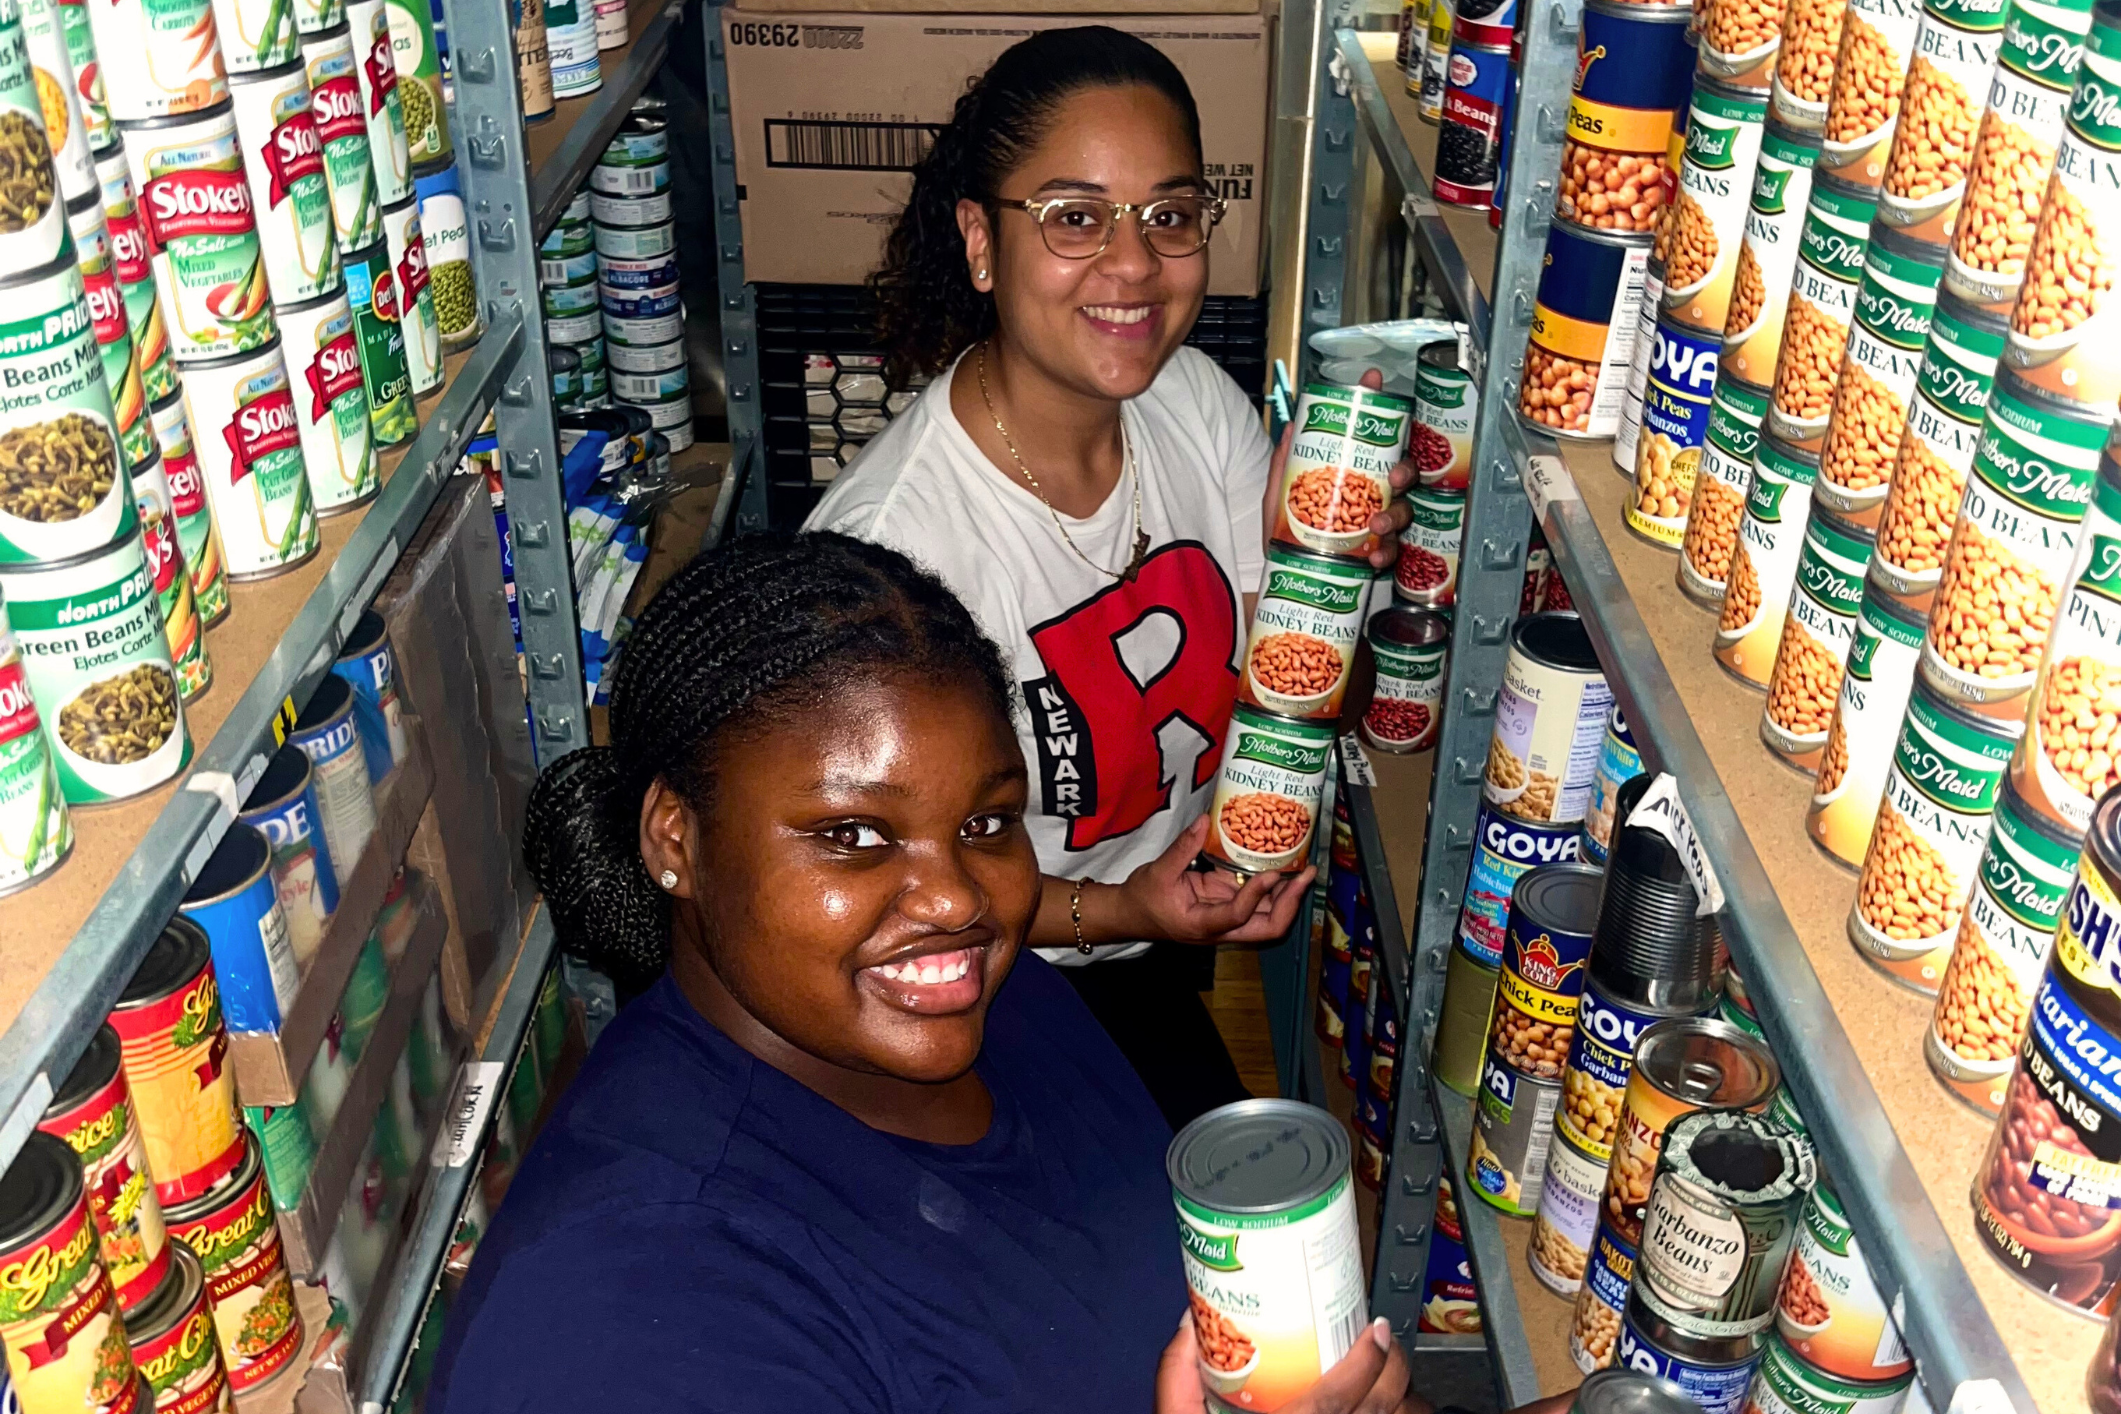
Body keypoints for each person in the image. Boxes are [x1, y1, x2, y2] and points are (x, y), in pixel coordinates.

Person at [426, 532, 1441, 1413]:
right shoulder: (637, 1306)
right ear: (675, 838)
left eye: (985, 823)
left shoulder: (1003, 1008)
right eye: (855, 834)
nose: (957, 897)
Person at [807, 26, 1420, 1128]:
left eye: (1170, 216)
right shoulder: (892, 555)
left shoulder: (1192, 402)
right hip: (957, 981)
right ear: (982, 244)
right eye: (1075, 217)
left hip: (1144, 946)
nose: (1134, 264)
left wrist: (1341, 571)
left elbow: (1300, 688)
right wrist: (1125, 905)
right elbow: (885, 895)